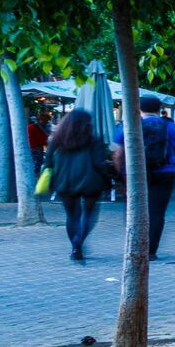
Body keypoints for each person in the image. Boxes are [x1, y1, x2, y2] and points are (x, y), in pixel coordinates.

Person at [111, 95, 175, 261]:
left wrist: (121, 176)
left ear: (139, 108)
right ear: (160, 109)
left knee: (133, 209)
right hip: (165, 173)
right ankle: (151, 251)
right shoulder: (173, 128)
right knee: (157, 212)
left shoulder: (129, 127)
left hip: (136, 174)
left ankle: (134, 246)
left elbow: (117, 155)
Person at [45, 109, 113, 263]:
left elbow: (48, 162)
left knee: (71, 216)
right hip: (91, 182)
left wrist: (49, 181)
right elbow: (100, 163)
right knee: (88, 215)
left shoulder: (57, 140)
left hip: (64, 181)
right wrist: (111, 177)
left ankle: (75, 248)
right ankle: (79, 239)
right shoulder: (94, 140)